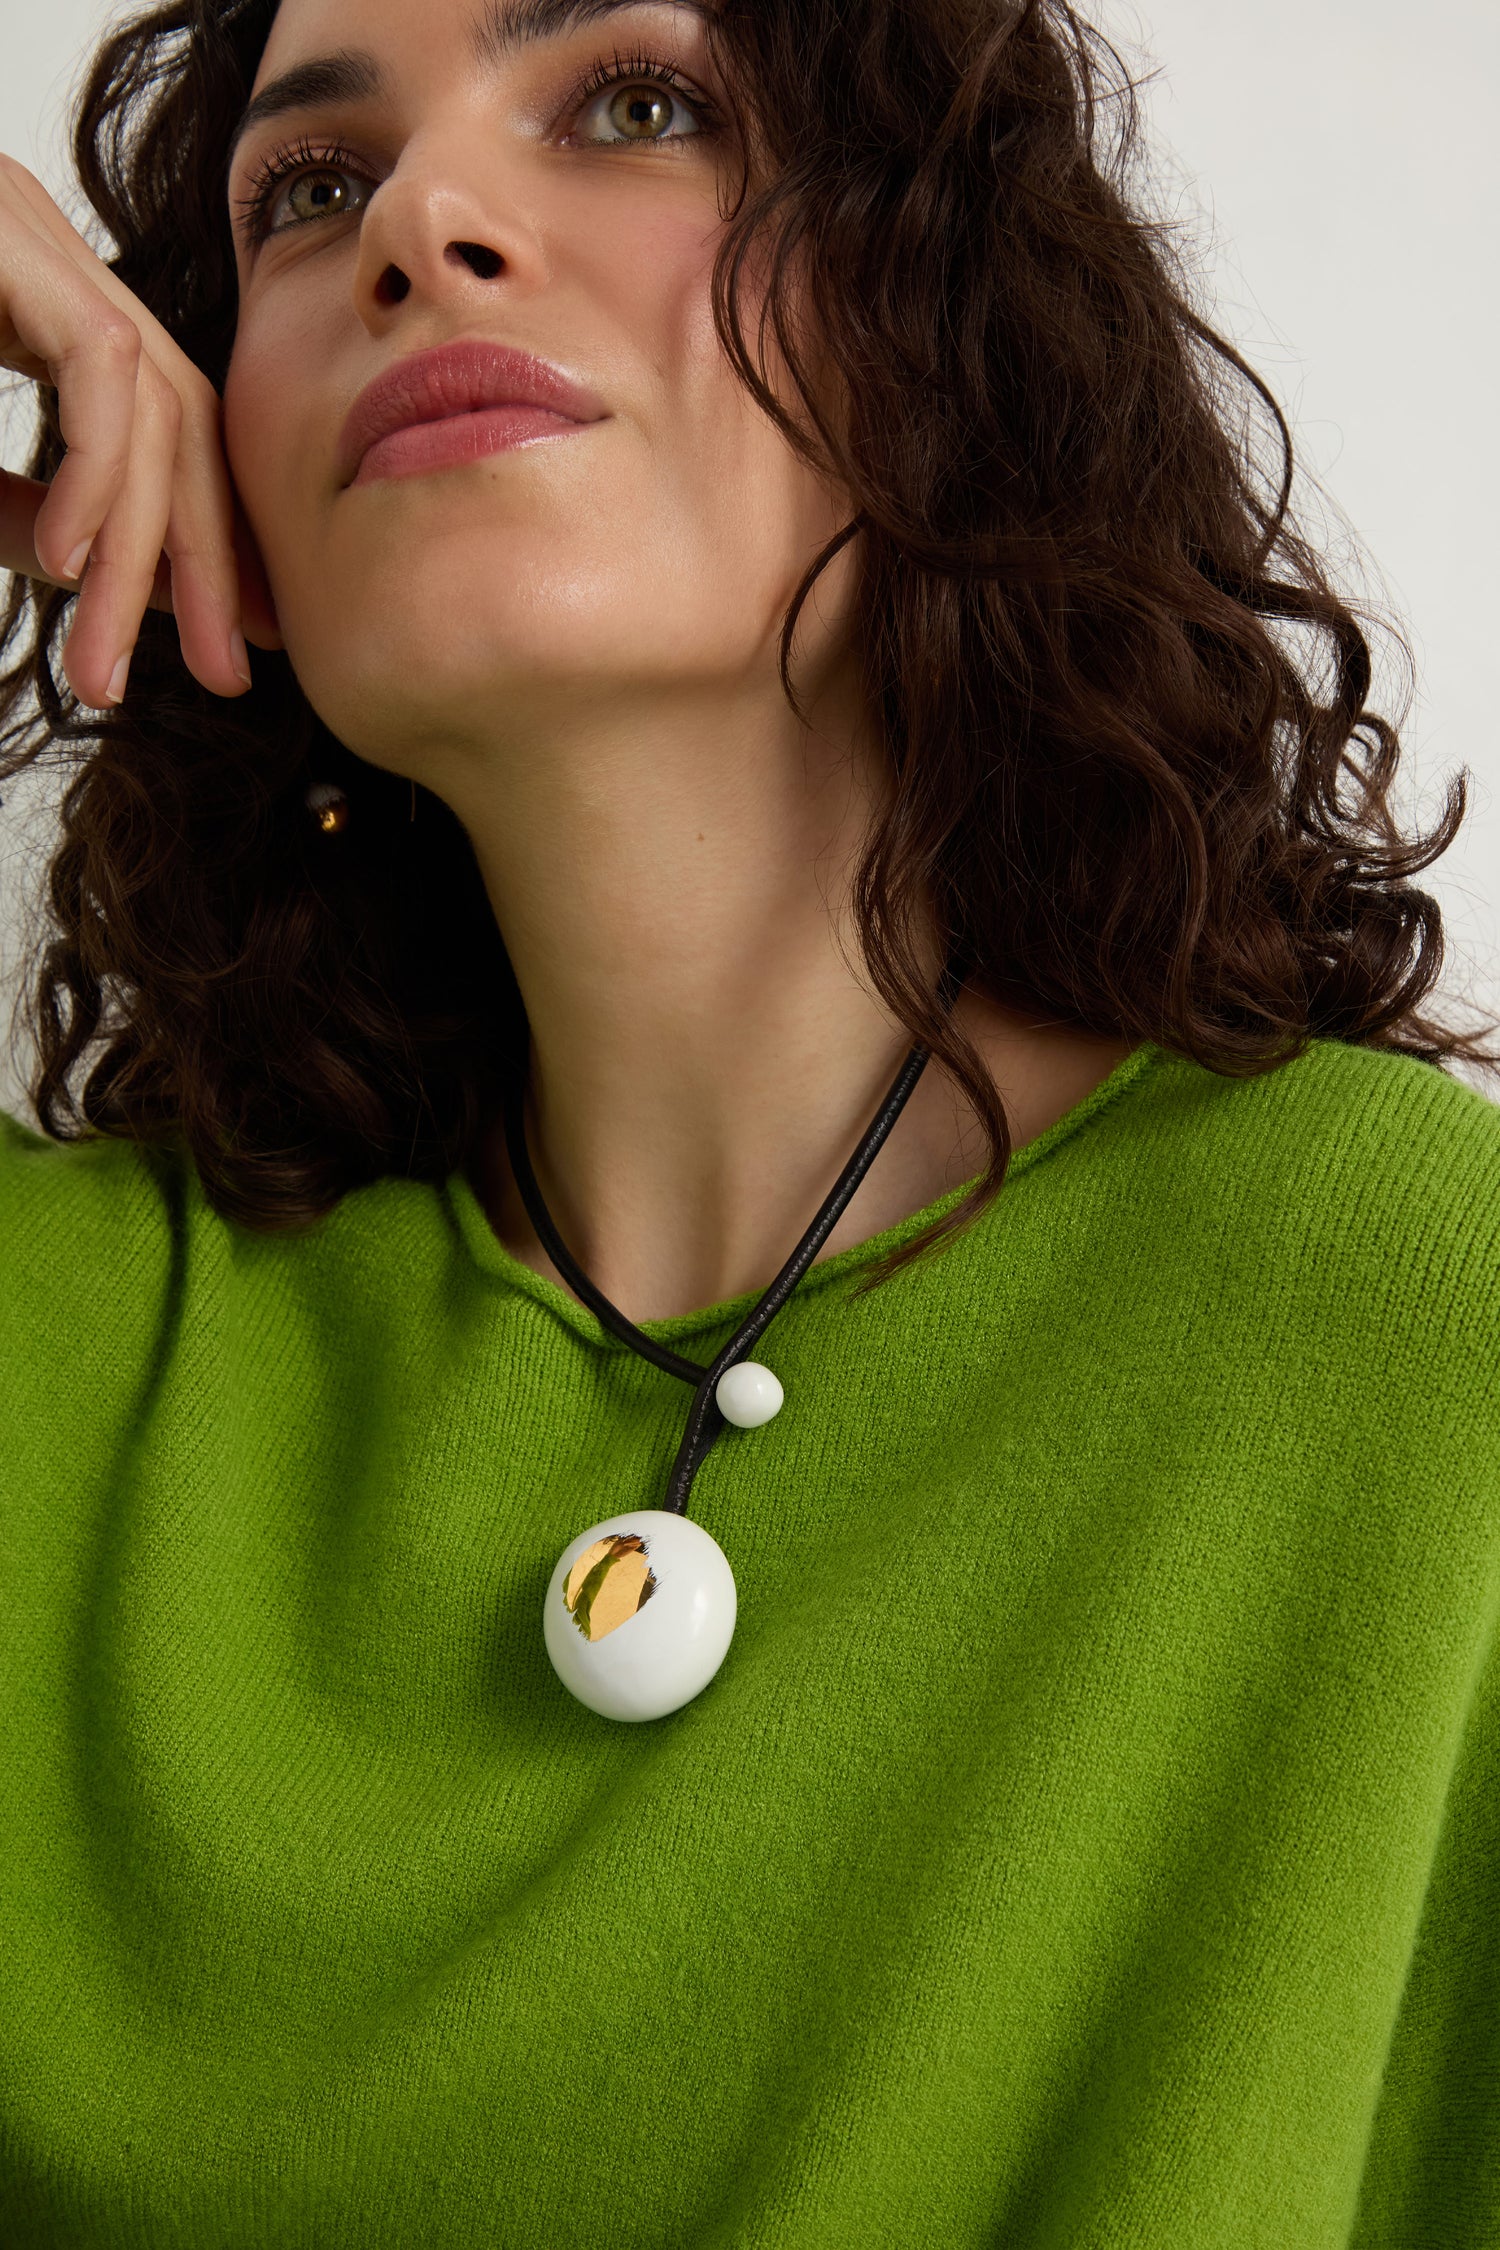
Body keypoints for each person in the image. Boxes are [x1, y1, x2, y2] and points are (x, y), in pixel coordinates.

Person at [0, 0, 1495, 2239]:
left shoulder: (1419, 1325)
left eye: (636, 104)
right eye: (309, 197)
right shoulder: (66, 1348)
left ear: (952, 319)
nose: (418, 222)